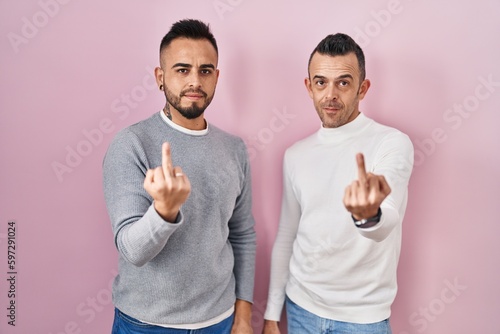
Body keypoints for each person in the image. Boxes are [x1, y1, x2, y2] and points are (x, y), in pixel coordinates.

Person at [103, 19, 256, 333]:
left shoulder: (234, 149)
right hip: (146, 324)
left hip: (221, 320)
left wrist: (242, 316)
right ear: (160, 77)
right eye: (182, 70)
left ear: (216, 76)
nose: (195, 82)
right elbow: (132, 251)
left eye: (205, 71)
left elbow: (243, 236)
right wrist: (164, 211)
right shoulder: (130, 144)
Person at [262, 33, 414, 333]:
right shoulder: (295, 155)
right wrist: (270, 314)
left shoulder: (392, 143)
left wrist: (368, 215)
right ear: (309, 87)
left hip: (363, 318)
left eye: (343, 82)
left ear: (363, 88)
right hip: (301, 308)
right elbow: (287, 235)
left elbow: (387, 220)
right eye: (321, 82)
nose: (330, 94)